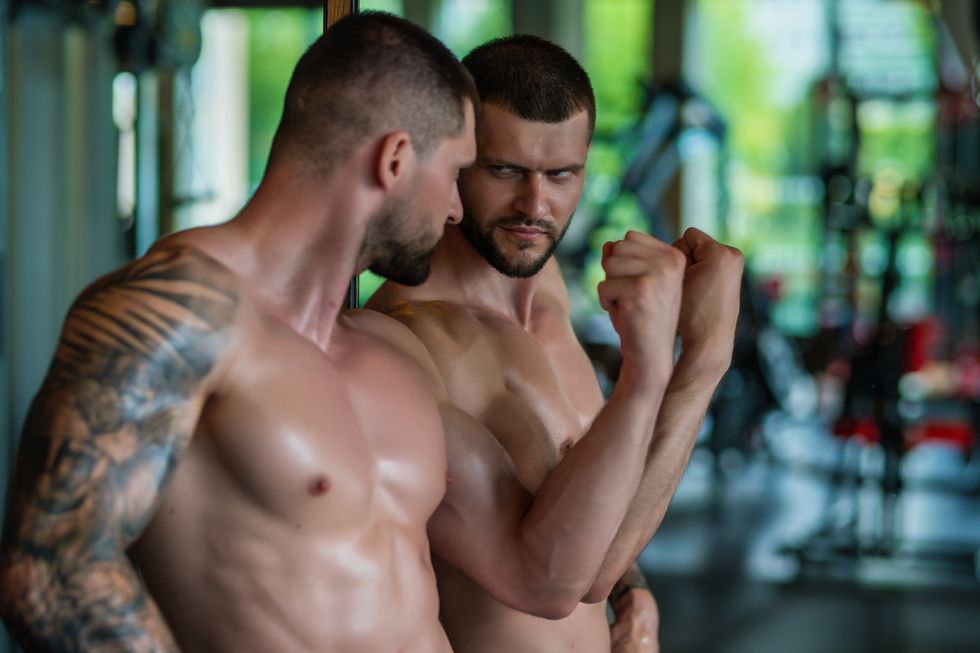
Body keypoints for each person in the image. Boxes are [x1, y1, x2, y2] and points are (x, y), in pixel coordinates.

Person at [0, 12, 478, 652]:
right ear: (395, 159)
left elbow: (536, 576)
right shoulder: (179, 312)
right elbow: (53, 574)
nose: (456, 209)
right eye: (454, 175)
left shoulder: (388, 348)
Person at [368, 35, 744, 653]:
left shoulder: (547, 290)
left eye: (561, 174)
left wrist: (632, 587)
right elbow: (571, 579)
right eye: (506, 170)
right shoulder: (414, 335)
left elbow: (594, 509)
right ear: (457, 159)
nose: (535, 206)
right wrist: (700, 360)